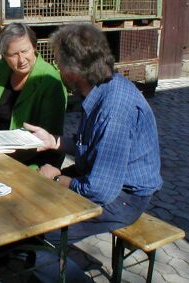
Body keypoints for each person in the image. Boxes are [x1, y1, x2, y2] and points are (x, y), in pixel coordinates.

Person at [24, 23, 163, 241]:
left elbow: (100, 191)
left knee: (42, 225)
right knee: (30, 188)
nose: (57, 68)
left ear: (73, 70)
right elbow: (88, 145)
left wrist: (57, 179)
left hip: (123, 198)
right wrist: (53, 141)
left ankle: (49, 266)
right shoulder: (99, 89)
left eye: (58, 62)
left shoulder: (113, 109)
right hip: (98, 180)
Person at [0, 22, 68, 168]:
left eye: (25, 51)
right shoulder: (1, 69)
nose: (21, 60)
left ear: (34, 47)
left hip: (30, 161)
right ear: (4, 56)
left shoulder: (50, 82)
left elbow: (50, 138)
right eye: (13, 54)